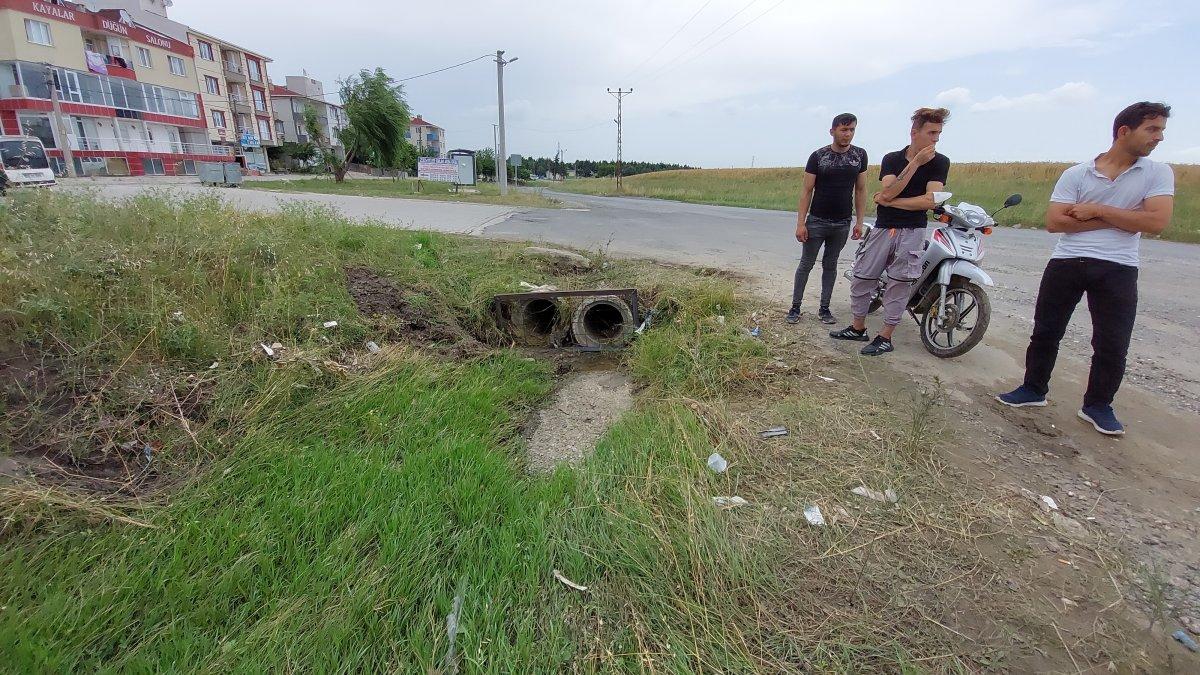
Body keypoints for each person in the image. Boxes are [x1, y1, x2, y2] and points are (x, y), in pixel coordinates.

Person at [995, 102, 1173, 436]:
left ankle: (1098, 406)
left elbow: (1157, 222)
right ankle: (1033, 389)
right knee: (1046, 331)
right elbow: (1054, 222)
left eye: (1161, 130)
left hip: (1119, 266)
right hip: (1067, 261)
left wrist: (1095, 210)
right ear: (1124, 131)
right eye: (1153, 129)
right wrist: (1124, 218)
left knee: (1112, 342)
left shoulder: (1157, 173)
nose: (1159, 137)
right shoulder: (1077, 173)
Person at [830, 107, 951, 355]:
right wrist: (915, 164)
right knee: (863, 276)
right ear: (914, 133)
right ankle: (858, 327)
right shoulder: (892, 159)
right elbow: (888, 191)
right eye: (931, 133)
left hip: (913, 230)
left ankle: (885, 337)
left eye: (938, 133)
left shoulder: (940, 162)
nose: (936, 139)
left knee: (899, 283)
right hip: (885, 227)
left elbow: (929, 201)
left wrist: (890, 200)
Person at [787, 113, 868, 325]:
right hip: (817, 220)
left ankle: (824, 308)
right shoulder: (818, 156)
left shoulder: (859, 156)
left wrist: (859, 222)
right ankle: (795, 307)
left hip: (842, 222)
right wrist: (801, 223)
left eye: (851, 130)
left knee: (831, 265)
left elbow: (860, 190)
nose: (847, 134)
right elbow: (806, 191)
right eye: (843, 130)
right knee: (806, 264)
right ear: (832, 131)